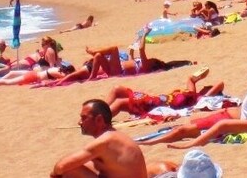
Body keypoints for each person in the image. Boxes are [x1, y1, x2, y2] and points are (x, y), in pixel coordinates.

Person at [138, 65, 247, 146]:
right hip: (226, 118)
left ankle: (156, 139)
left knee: (187, 129)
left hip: (230, 121)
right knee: (184, 130)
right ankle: (151, 142)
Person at [50, 28, 193, 85]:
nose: (151, 59)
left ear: (155, 64)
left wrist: (144, 35)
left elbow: (142, 49)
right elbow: (134, 58)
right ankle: (91, 77)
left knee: (113, 49)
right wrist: (131, 51)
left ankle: (93, 52)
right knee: (99, 57)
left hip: (118, 71)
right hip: (116, 69)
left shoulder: (147, 65)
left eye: (154, 60)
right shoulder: (142, 63)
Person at [50, 99, 148, 178]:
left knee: (69, 169)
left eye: (84, 118)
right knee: (82, 164)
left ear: (99, 120)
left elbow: (61, 166)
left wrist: (54, 175)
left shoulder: (104, 141)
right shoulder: (116, 136)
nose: (79, 122)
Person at [104, 67, 221, 117]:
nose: (204, 87)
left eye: (207, 87)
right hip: (153, 99)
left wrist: (209, 91)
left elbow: (220, 84)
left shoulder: (200, 99)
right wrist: (200, 75)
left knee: (120, 103)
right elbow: (190, 79)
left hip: (154, 105)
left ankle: (99, 119)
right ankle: (97, 110)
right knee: (117, 89)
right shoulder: (191, 94)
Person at [0, 64, 76, 88]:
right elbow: (65, 79)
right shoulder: (60, 73)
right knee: (7, 82)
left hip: (33, 73)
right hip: (33, 77)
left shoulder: (58, 68)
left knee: (11, 73)